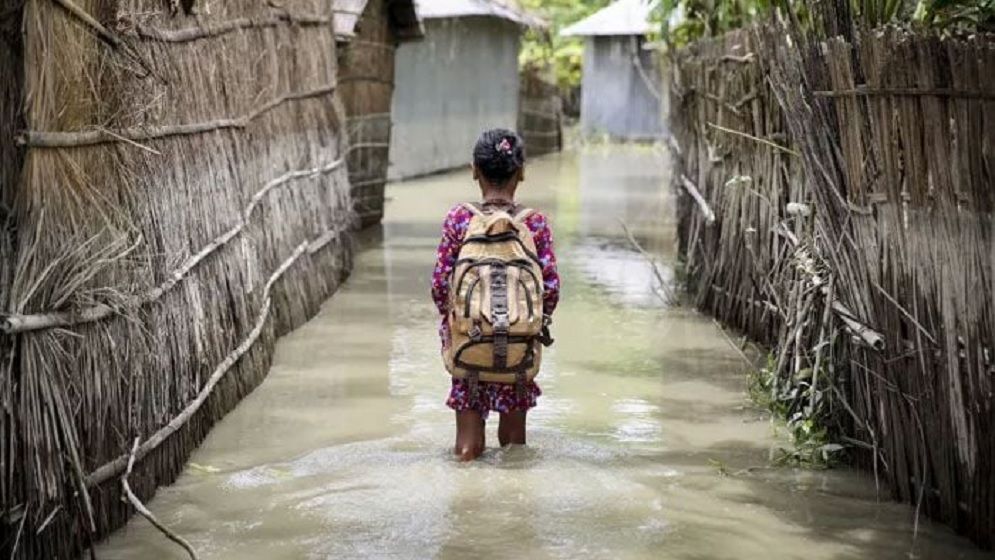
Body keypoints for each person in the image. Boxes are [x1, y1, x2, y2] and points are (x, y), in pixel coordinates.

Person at [431, 128, 560, 462]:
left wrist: (459, 323)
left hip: (469, 344)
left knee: (467, 449)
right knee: (514, 449)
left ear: (475, 169)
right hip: (518, 350)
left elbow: (440, 285)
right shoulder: (535, 224)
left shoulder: (459, 219)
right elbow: (551, 290)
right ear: (522, 172)